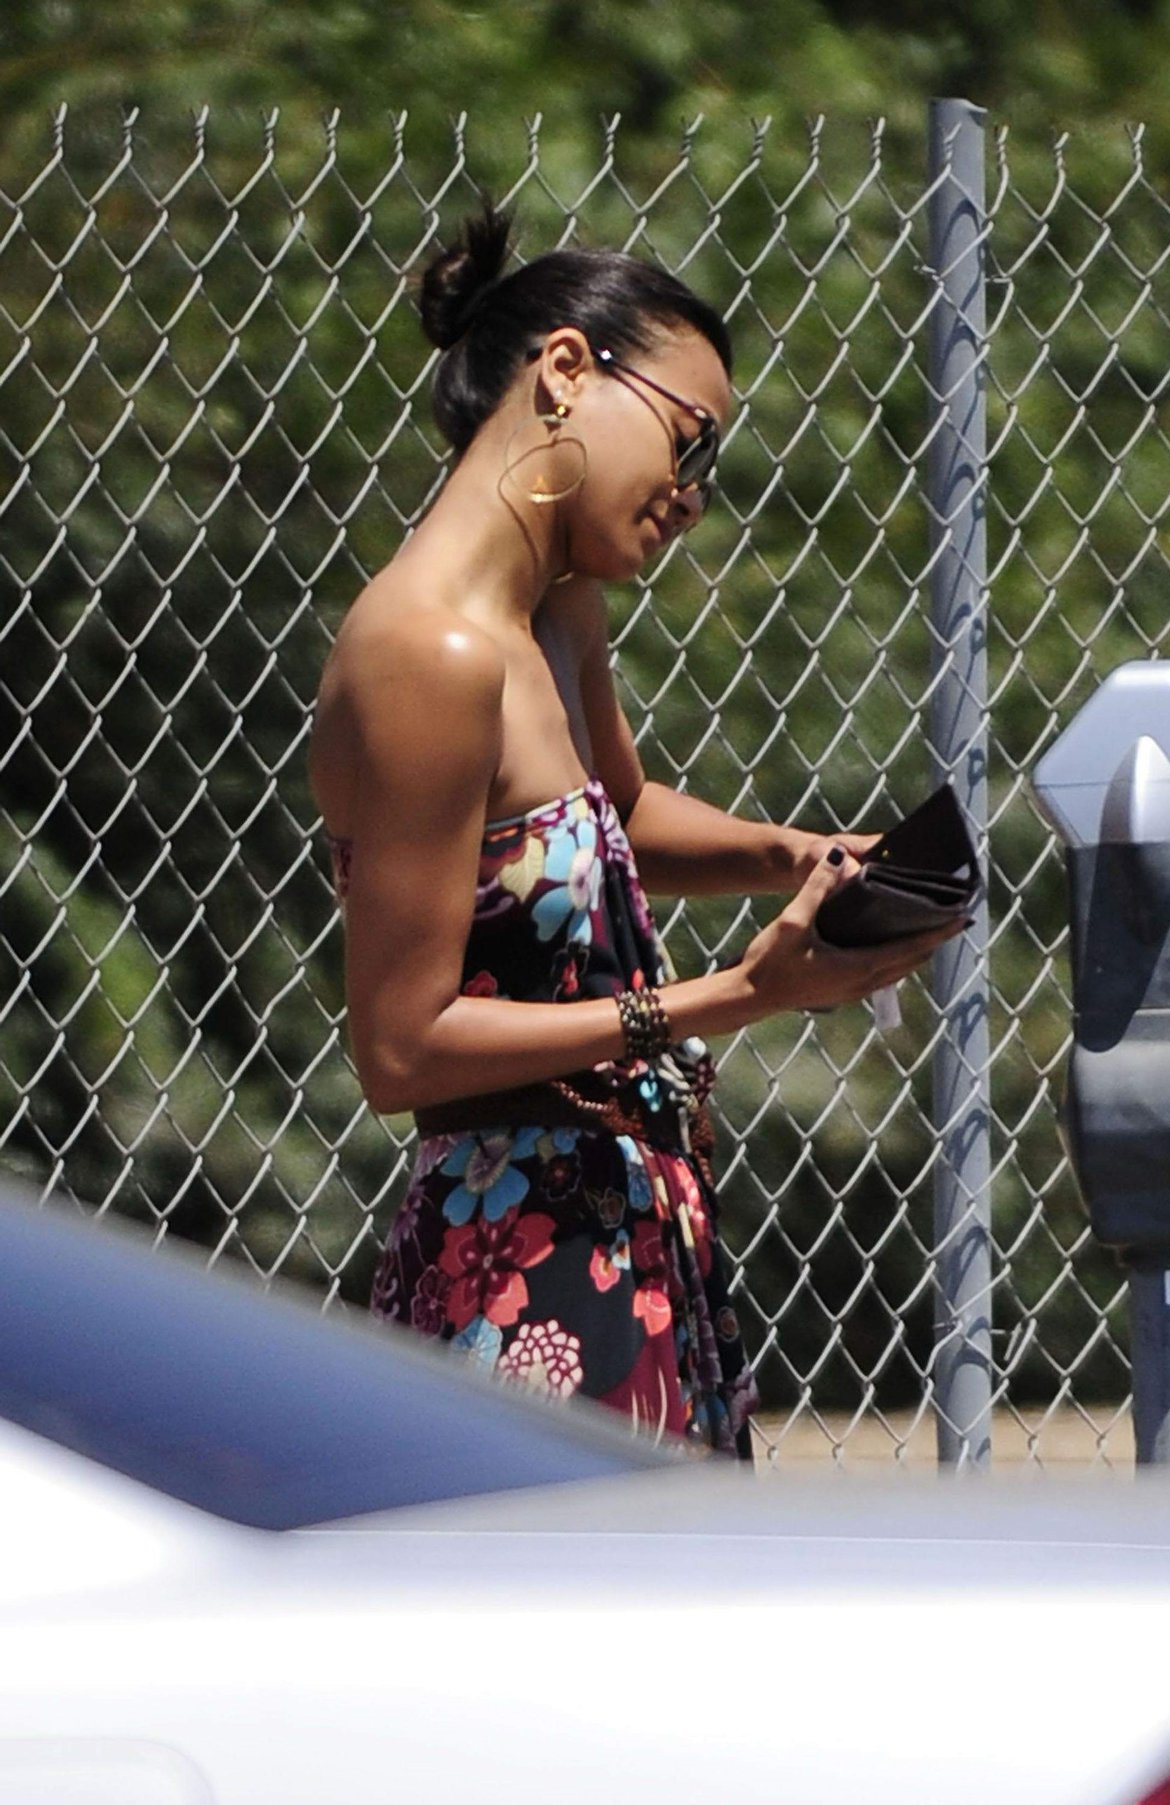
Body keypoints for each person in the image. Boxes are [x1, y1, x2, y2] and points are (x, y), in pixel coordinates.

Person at [309, 206, 961, 1457]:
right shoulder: (423, 654)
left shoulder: (557, 611)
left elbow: (612, 818)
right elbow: (400, 1047)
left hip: (637, 1238)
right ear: (564, 369)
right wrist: (734, 994)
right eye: (688, 437)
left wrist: (797, 857)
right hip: (518, 1271)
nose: (695, 495)